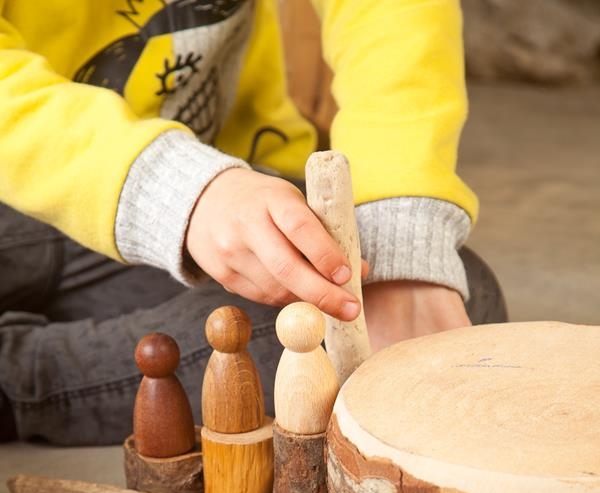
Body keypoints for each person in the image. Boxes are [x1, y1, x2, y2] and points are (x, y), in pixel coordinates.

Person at [0, 0, 506, 445]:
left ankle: (23, 374)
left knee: (457, 299)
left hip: (223, 178)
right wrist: (177, 190)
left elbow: (392, 15)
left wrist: (397, 228)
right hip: (40, 184)